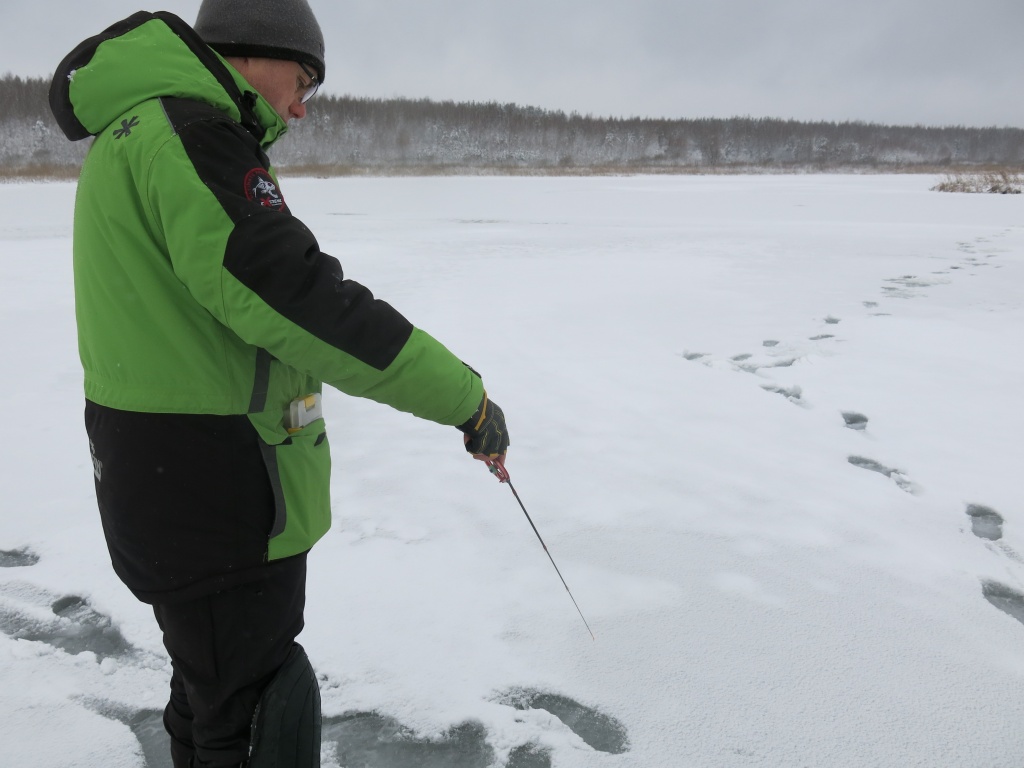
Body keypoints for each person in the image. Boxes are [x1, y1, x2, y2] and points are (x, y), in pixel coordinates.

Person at [48, 1, 509, 766]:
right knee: (257, 711)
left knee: (211, 689)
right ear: (250, 54)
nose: (298, 109)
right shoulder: (194, 133)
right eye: (301, 82)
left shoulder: (133, 128)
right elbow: (296, 299)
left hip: (164, 472)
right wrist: (466, 399)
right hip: (218, 481)